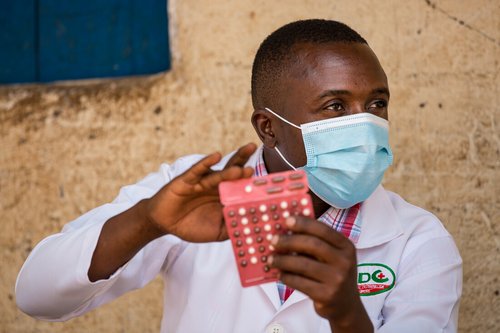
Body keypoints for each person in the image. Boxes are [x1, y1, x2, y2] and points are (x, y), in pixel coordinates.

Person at [16, 19, 462, 333]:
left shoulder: (419, 240)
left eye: (376, 104)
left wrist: (347, 317)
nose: (365, 124)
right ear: (269, 128)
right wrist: (148, 221)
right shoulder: (195, 191)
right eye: (335, 106)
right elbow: (38, 296)